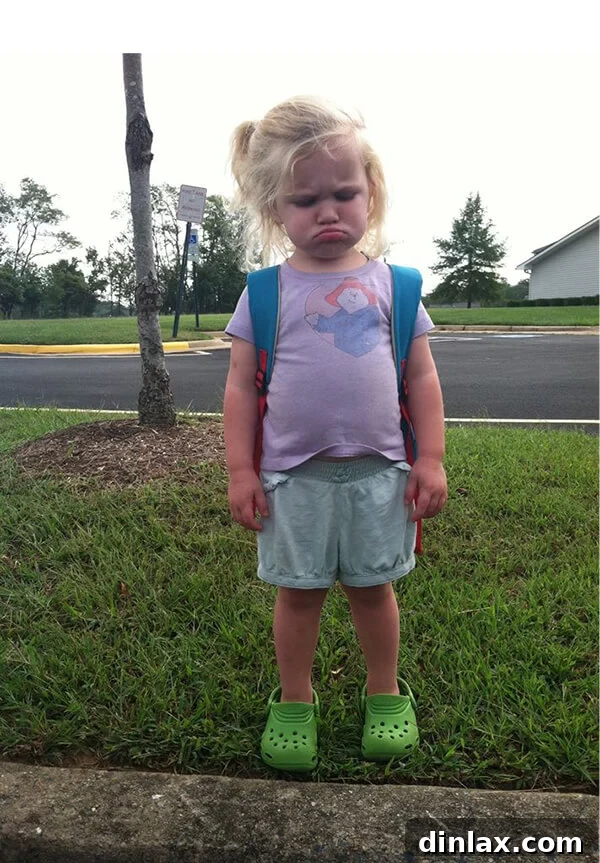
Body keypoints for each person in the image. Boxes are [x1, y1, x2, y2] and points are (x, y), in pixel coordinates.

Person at [223, 96, 447, 772]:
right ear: (274, 209)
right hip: (294, 477)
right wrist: (240, 470)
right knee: (299, 594)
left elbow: (422, 380)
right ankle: (295, 699)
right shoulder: (264, 292)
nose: (327, 211)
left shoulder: (396, 286)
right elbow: (238, 388)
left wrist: (430, 458)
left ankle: (385, 694)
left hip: (380, 473)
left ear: (370, 192)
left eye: (344, 192)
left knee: (375, 590)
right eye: (304, 199)